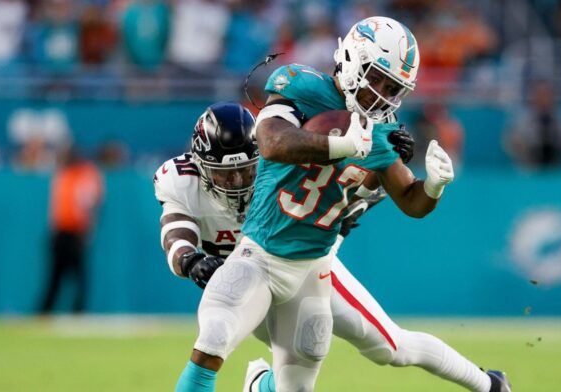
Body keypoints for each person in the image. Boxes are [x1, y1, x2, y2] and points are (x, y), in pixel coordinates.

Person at [171, 16, 510, 392]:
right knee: (214, 336)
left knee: (297, 386)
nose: (380, 92)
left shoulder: (380, 132)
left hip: (313, 270)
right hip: (260, 255)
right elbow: (271, 142)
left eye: (392, 86)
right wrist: (340, 146)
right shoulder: (300, 85)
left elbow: (412, 203)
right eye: (375, 77)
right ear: (351, 58)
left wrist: (433, 185)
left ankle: (256, 386)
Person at [40, 146, 103, 314]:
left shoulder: (85, 174)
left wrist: (87, 231)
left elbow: (91, 204)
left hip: (76, 232)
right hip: (61, 232)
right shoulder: (63, 175)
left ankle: (78, 310)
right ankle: (45, 311)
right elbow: (56, 208)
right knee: (56, 276)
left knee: (79, 276)